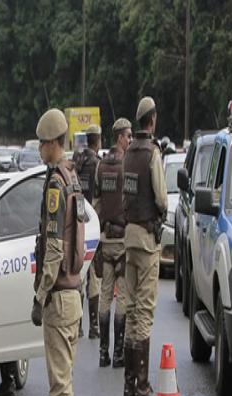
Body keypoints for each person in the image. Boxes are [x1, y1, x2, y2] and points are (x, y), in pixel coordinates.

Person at [32, 108, 85, 396]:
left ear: (53, 143)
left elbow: (53, 248)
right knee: (66, 389)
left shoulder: (55, 183)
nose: (39, 150)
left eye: (41, 144)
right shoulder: (73, 178)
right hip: (75, 295)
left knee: (59, 392)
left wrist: (39, 297)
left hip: (59, 298)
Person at [122, 97, 167, 396]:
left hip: (128, 236)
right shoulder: (153, 153)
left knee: (130, 307)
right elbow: (162, 199)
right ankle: (142, 387)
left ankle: (128, 386)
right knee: (145, 312)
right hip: (148, 240)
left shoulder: (127, 154)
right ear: (152, 121)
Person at [93, 118, 132, 368]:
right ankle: (119, 353)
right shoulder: (126, 165)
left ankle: (103, 353)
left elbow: (96, 204)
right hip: (123, 240)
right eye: (127, 136)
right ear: (119, 137)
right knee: (124, 296)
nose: (130, 140)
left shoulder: (100, 166)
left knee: (105, 295)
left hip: (105, 239)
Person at [74, 124, 102, 339]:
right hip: (93, 223)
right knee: (94, 276)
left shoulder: (77, 162)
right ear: (98, 140)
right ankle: (94, 326)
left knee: (79, 275)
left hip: (77, 222)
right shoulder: (96, 165)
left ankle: (79, 325)